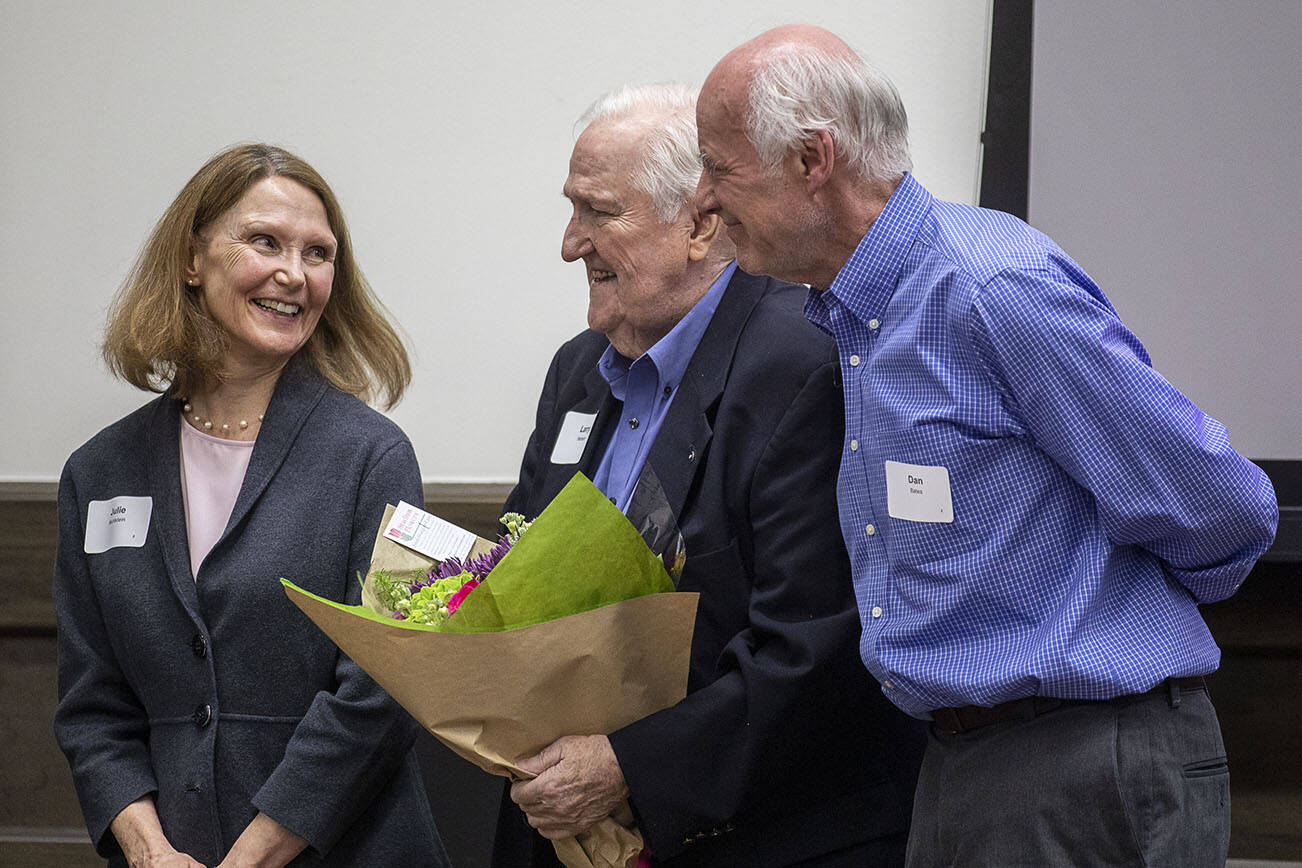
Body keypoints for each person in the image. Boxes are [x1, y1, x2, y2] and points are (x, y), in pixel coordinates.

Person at [695, 24, 1280, 868]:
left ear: (811, 159)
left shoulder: (990, 290)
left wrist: (1116, 624)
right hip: (961, 764)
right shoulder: (855, 317)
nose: (705, 199)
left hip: (1082, 763)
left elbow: (1223, 506)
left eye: (719, 167)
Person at [491, 84, 922, 868]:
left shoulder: (803, 366)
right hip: (565, 829)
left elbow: (813, 648)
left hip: (758, 836)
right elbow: (513, 573)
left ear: (699, 224)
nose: (568, 243)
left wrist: (627, 767)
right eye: (572, 209)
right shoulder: (576, 373)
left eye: (599, 212)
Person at [53, 143, 449, 868]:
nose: (293, 274)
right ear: (192, 258)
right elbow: (92, 707)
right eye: (264, 241)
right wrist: (148, 851)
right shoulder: (98, 473)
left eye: (318, 253)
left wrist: (254, 857)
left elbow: (384, 686)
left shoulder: (374, 457)